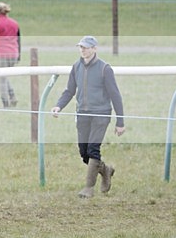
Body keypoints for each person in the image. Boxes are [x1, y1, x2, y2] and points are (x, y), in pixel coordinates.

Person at [51, 36, 125, 198]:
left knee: (93, 149)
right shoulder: (76, 67)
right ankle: (105, 169)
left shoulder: (105, 68)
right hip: (82, 115)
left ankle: (88, 188)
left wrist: (120, 122)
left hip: (101, 114)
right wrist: (59, 105)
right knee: (84, 153)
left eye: (85, 47)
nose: (82, 50)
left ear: (94, 49)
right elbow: (69, 91)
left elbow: (115, 95)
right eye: (80, 47)